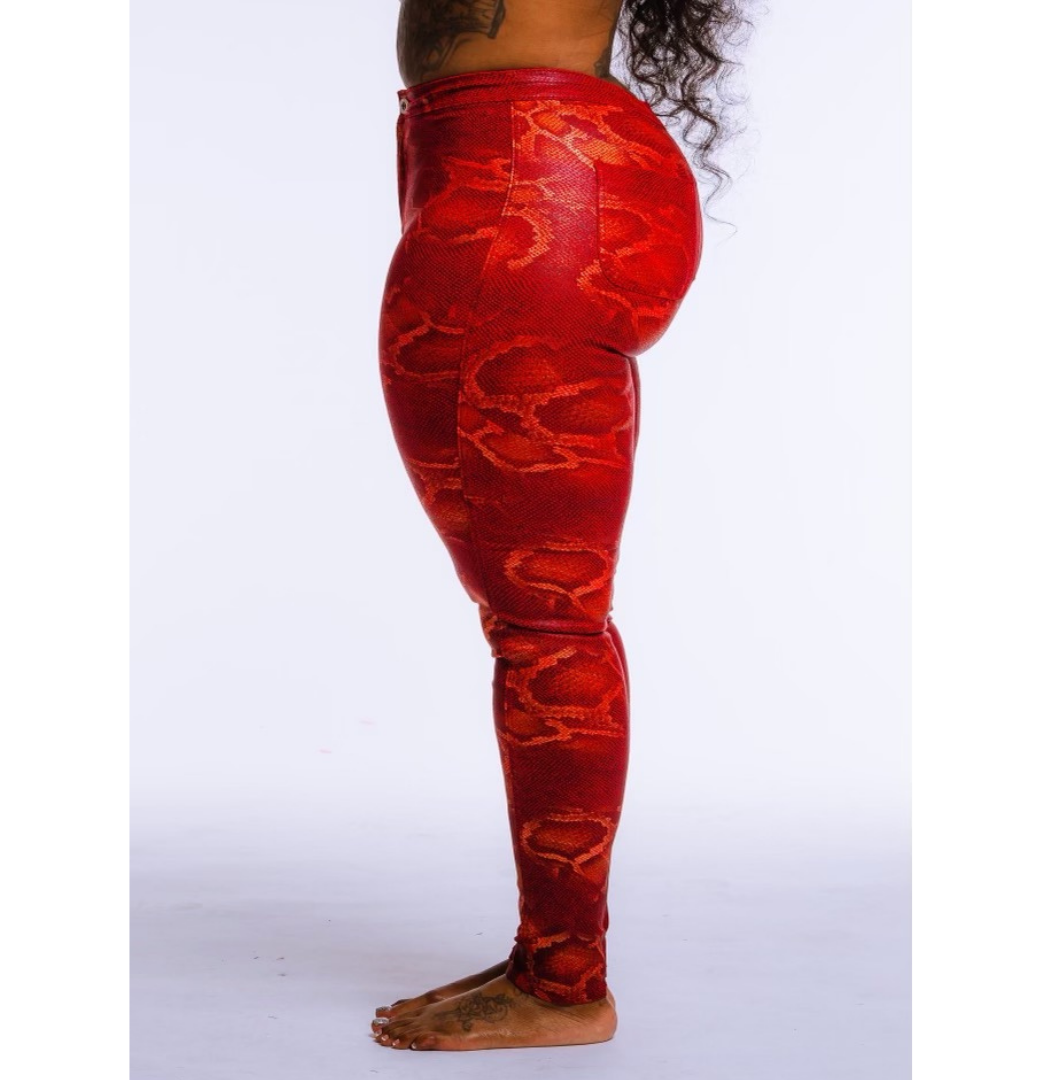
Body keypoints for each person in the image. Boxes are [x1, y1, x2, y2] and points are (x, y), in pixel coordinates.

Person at [370, 0, 748, 1052]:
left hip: (523, 182)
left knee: (545, 625)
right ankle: (549, 959)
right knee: (550, 619)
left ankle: (564, 983)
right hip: (556, 166)